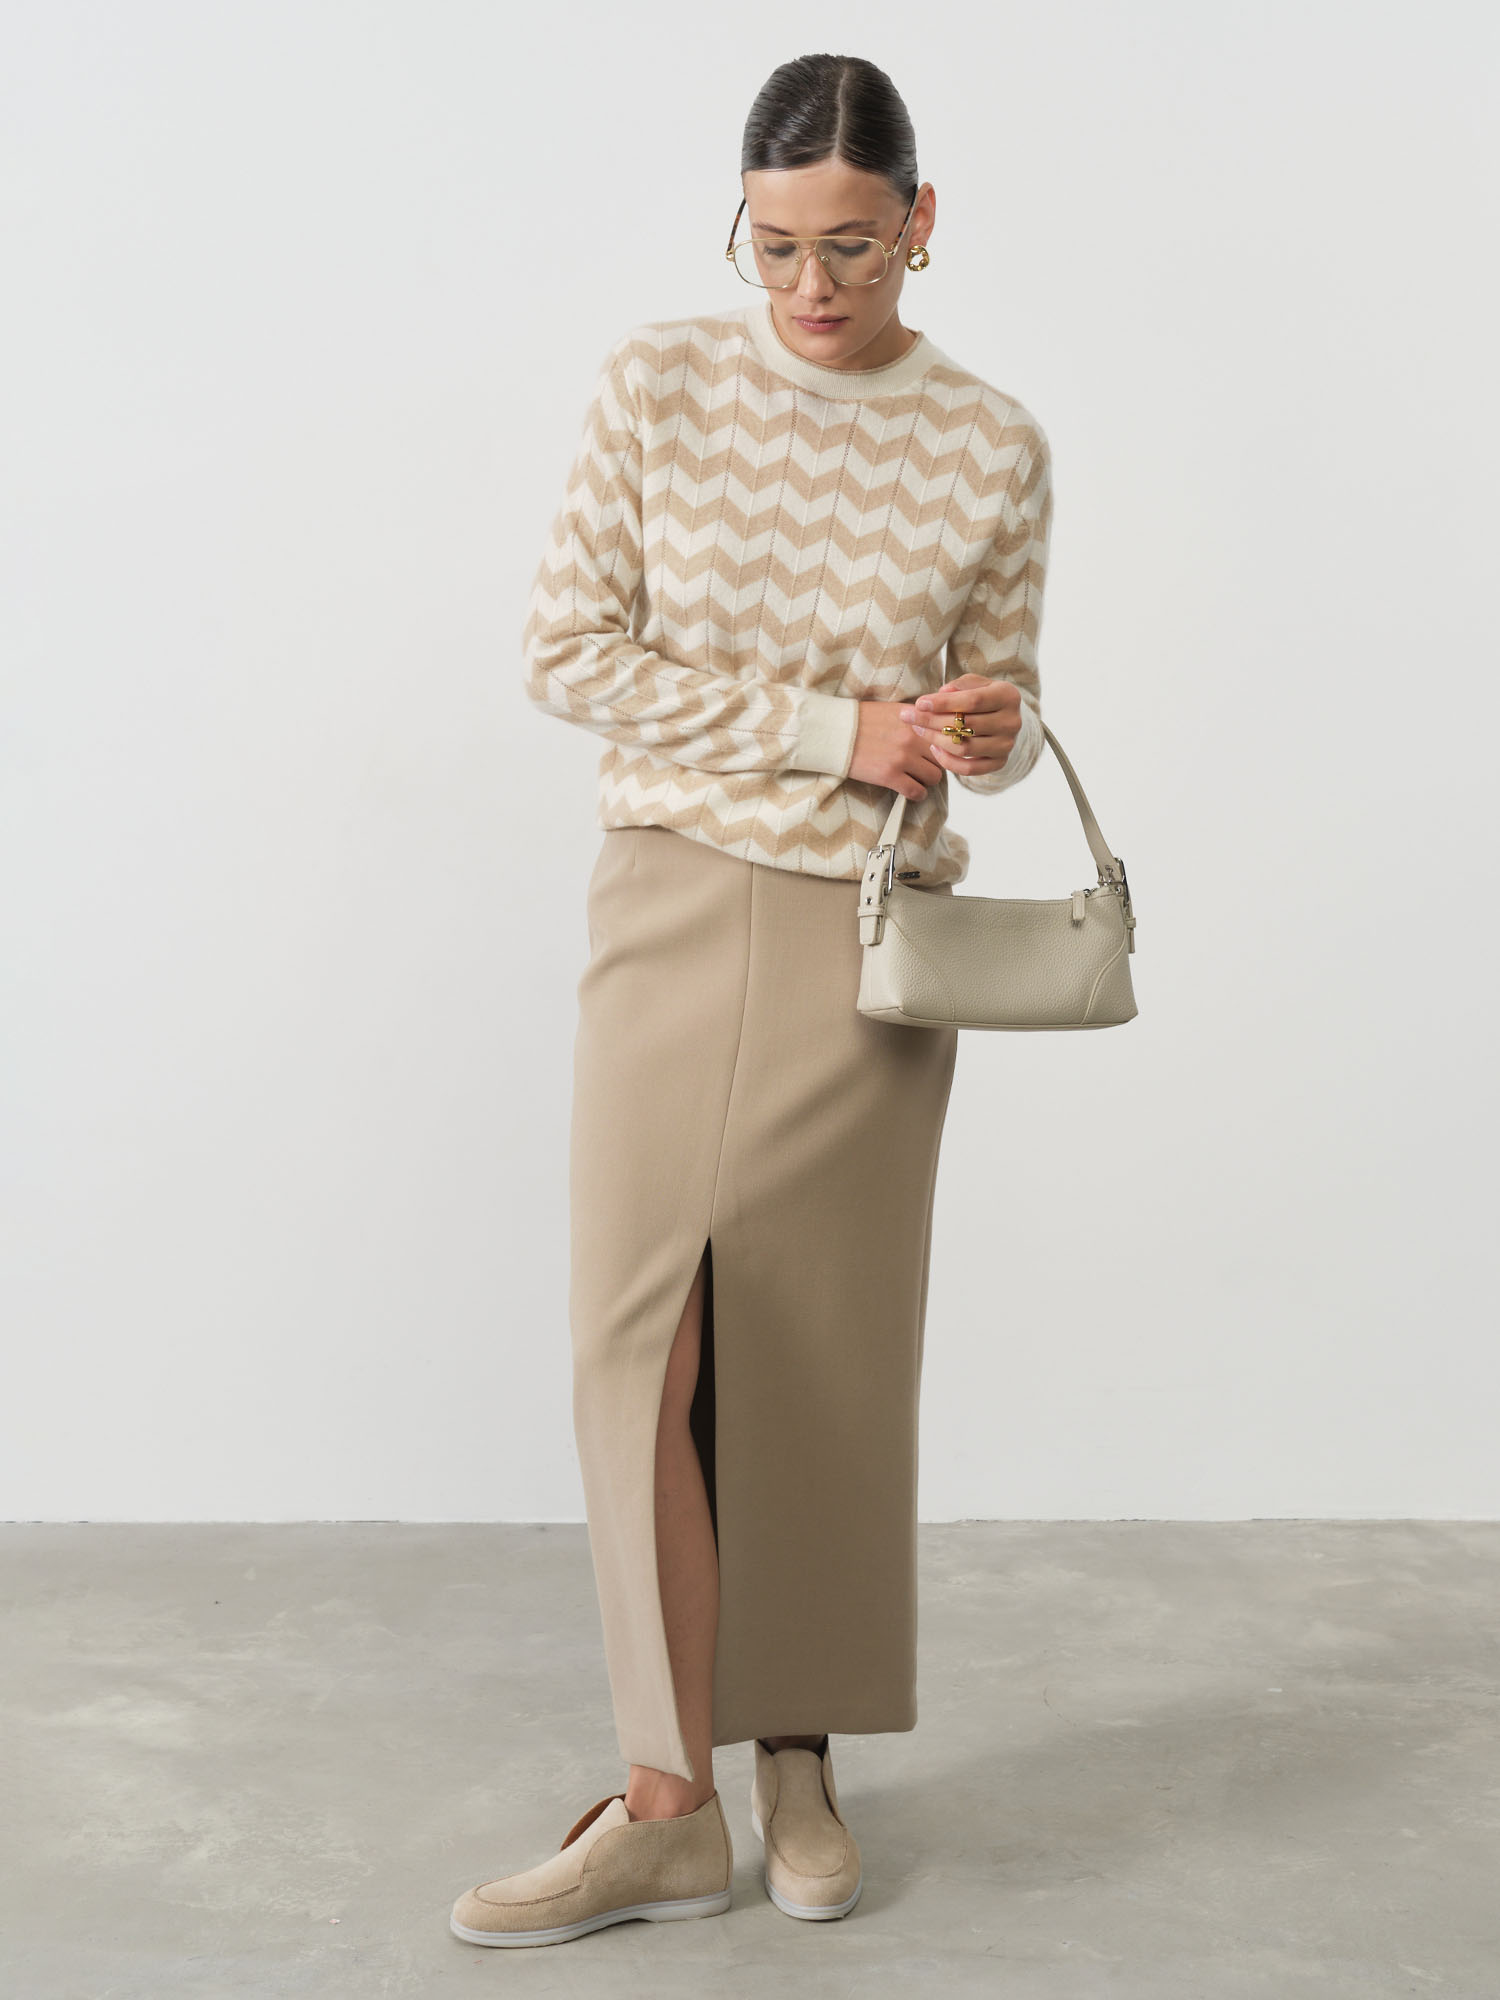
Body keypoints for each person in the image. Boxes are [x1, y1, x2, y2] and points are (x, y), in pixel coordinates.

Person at [450, 49, 1053, 1949]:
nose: (809, 286)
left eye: (851, 247)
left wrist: (980, 730)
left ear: (921, 225)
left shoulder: (993, 445)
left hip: (870, 938)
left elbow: (1004, 707)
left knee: (820, 1362)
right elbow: (568, 651)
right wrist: (830, 727)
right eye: (774, 245)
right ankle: (664, 1801)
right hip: (676, 900)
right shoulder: (660, 384)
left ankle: (800, 1762)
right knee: (639, 1341)